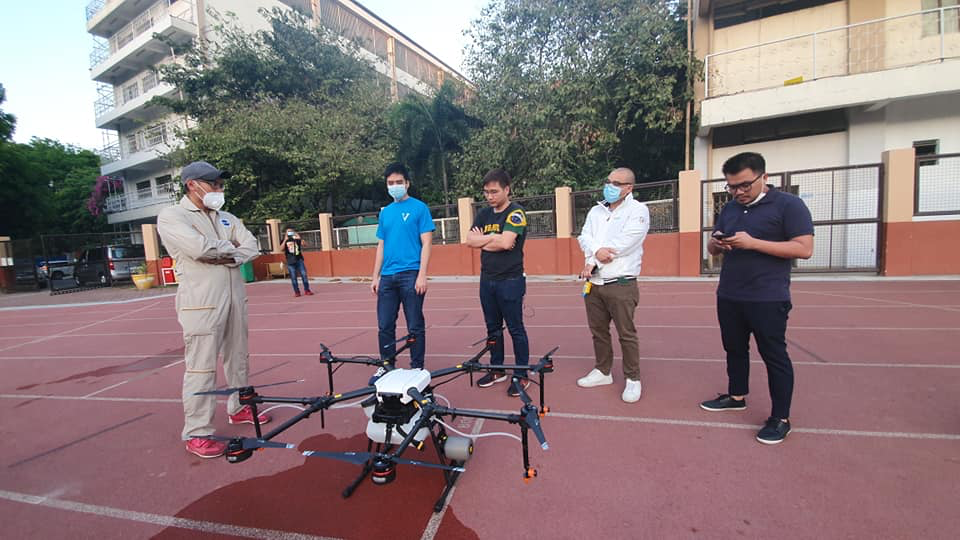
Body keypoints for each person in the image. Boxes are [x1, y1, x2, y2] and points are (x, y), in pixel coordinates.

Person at [157, 161, 271, 459]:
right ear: (193, 184)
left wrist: (225, 255)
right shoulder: (173, 216)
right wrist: (228, 248)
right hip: (201, 303)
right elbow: (198, 249)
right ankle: (197, 432)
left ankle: (238, 407)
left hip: (235, 299)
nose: (219, 189)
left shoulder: (227, 218)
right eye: (214, 184)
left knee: (239, 357)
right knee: (201, 367)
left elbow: (252, 246)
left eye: (220, 184)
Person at [699, 152, 814, 445]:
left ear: (764, 177)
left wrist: (753, 243)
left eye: (744, 185)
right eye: (731, 186)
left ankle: (781, 418)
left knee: (774, 356)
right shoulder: (730, 208)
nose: (738, 192)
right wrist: (715, 244)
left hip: (767, 297)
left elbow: (804, 249)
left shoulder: (789, 205)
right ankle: (737, 396)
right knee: (734, 349)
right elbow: (713, 250)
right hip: (729, 294)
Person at [575, 167, 650, 403]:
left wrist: (596, 256)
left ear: (629, 188)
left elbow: (624, 243)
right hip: (593, 282)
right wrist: (593, 256)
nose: (611, 186)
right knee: (598, 331)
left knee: (626, 333)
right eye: (609, 181)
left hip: (621, 282)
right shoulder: (596, 211)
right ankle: (602, 371)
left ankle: (633, 378)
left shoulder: (638, 211)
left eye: (617, 183)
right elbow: (584, 237)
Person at [465, 169, 531, 397]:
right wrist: (493, 238)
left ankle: (522, 373)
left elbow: (506, 243)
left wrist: (486, 241)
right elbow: (469, 240)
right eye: (486, 192)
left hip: (510, 280)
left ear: (506, 189)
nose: (490, 196)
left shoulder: (516, 213)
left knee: (515, 329)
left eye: (494, 191)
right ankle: (497, 368)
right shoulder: (483, 214)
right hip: (487, 280)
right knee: (492, 328)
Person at [370, 162, 434, 375]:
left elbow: (426, 242)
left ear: (407, 183)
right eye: (390, 183)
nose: (394, 186)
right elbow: (381, 245)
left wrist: (422, 275)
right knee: (385, 325)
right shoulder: (385, 213)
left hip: (411, 274)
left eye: (399, 182)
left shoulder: (419, 208)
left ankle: (417, 367)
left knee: (414, 324)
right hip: (387, 277)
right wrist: (375, 276)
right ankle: (387, 365)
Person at [282, 227, 313, 297]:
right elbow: (281, 249)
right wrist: (285, 240)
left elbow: (304, 244)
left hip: (299, 260)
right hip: (290, 262)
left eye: (291, 231)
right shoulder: (285, 240)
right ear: (286, 233)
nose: (289, 233)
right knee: (293, 277)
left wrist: (297, 236)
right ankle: (297, 292)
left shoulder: (296, 239)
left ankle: (307, 290)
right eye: (288, 232)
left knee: (304, 275)